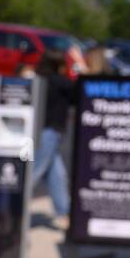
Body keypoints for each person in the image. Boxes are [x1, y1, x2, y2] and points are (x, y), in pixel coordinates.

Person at [31, 49, 75, 224]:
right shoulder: (59, 82)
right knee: (34, 171)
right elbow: (78, 93)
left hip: (40, 130)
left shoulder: (39, 80)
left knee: (57, 174)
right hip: (50, 132)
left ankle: (64, 211)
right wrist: (79, 67)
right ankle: (8, 209)